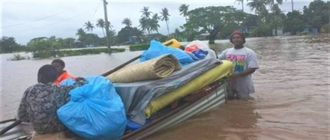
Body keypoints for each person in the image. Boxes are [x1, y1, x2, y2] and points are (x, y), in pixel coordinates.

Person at [17, 64, 87, 136]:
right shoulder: (60, 89)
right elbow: (81, 84)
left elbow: (22, 116)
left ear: (40, 76)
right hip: (57, 128)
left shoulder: (29, 90)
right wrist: (80, 79)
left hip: (38, 129)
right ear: (56, 78)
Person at [218, 30, 259, 99]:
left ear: (243, 40)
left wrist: (237, 75)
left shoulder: (249, 52)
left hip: (243, 83)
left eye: (238, 38)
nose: (236, 39)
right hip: (229, 82)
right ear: (231, 40)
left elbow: (252, 69)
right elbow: (217, 60)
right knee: (229, 100)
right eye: (234, 38)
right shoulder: (227, 51)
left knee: (244, 102)